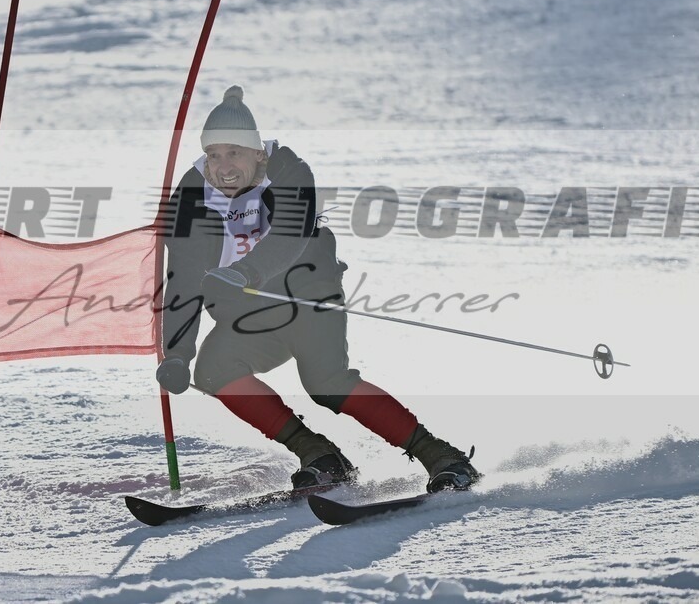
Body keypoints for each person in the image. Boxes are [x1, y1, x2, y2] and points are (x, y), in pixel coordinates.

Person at [156, 85, 480, 493]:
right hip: (248, 314)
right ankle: (320, 457)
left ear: (258, 153)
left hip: (307, 295)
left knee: (326, 383)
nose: (224, 167)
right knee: (213, 369)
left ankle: (442, 457)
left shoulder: (289, 170)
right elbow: (183, 277)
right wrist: (178, 353)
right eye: (214, 155)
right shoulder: (192, 193)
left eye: (234, 152)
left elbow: (290, 235)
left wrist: (245, 273)